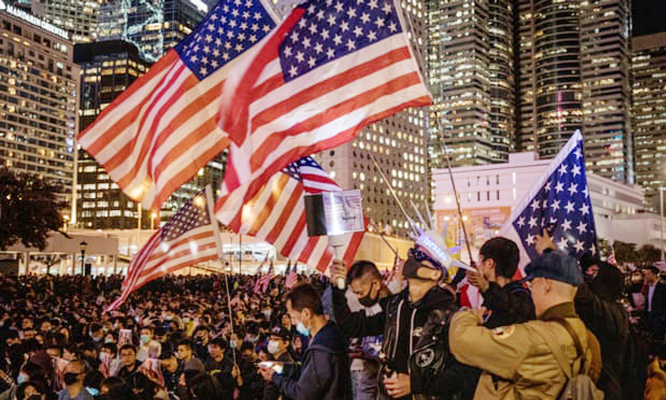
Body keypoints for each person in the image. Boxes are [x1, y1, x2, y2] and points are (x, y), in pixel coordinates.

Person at [449, 250, 603, 399]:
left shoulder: (532, 337)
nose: (532, 291)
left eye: (532, 284)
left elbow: (461, 340)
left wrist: (468, 315)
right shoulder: (588, 338)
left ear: (546, 284)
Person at [330, 245, 466, 399]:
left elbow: (463, 373)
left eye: (420, 256)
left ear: (435, 273)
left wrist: (415, 384)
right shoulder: (395, 305)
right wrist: (337, 288)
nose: (411, 256)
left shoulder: (450, 314)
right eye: (412, 252)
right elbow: (352, 327)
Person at [259, 284, 352, 400]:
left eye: (293, 317)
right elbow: (310, 374)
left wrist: (274, 378)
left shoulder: (321, 348)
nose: (292, 323)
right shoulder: (331, 333)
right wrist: (282, 367)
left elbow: (303, 393)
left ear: (306, 313)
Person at [466, 237, 535, 328]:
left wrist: (486, 286)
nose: (478, 265)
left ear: (489, 263)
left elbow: (508, 306)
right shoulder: (490, 298)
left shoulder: (521, 296)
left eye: (480, 259)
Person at [263, 327, 295, 400]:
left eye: (275, 339)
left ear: (286, 343)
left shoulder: (286, 364)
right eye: (270, 339)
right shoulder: (273, 361)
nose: (271, 342)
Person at [643, 265, 666, 344]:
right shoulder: (647, 288)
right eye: (645, 274)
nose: (646, 276)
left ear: (654, 275)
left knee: (658, 342)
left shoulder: (662, 288)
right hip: (649, 317)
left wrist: (662, 319)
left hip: (658, 319)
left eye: (648, 274)